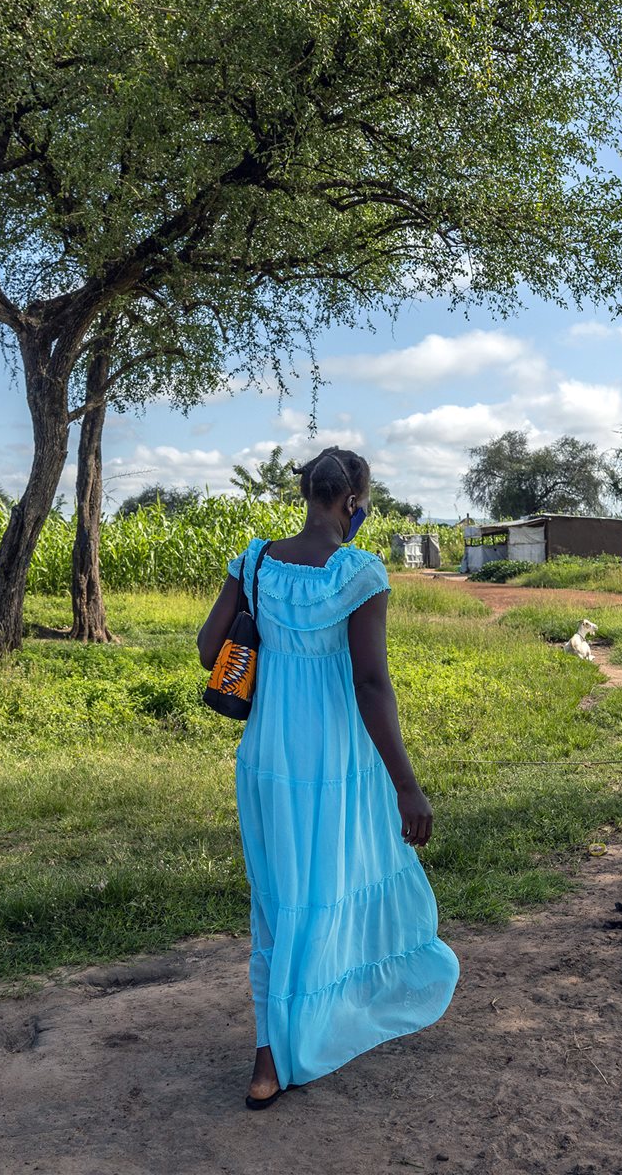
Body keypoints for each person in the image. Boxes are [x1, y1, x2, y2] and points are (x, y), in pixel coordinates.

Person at [197, 447, 459, 1110]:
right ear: (353, 502)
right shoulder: (359, 572)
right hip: (334, 763)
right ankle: (294, 1042)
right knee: (325, 890)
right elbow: (371, 683)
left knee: (279, 899)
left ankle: (270, 1051)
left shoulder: (256, 561)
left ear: (308, 494)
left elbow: (209, 650)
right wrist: (406, 784)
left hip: (266, 758)